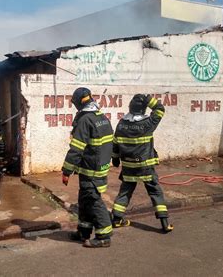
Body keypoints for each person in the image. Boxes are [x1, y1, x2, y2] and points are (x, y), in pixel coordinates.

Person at [111, 94, 174, 233]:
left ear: (130, 107)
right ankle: (164, 224)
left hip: (128, 166)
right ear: (143, 109)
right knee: (155, 192)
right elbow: (159, 109)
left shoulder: (121, 124)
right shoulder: (147, 124)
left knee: (125, 192)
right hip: (145, 167)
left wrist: (114, 159)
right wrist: (148, 100)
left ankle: (116, 219)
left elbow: (115, 144)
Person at [62, 87, 114, 248]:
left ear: (78, 102)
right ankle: (83, 232)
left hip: (91, 170)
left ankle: (104, 236)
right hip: (98, 167)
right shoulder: (101, 116)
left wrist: (66, 170)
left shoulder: (85, 120)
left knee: (93, 201)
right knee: (84, 200)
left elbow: (77, 148)